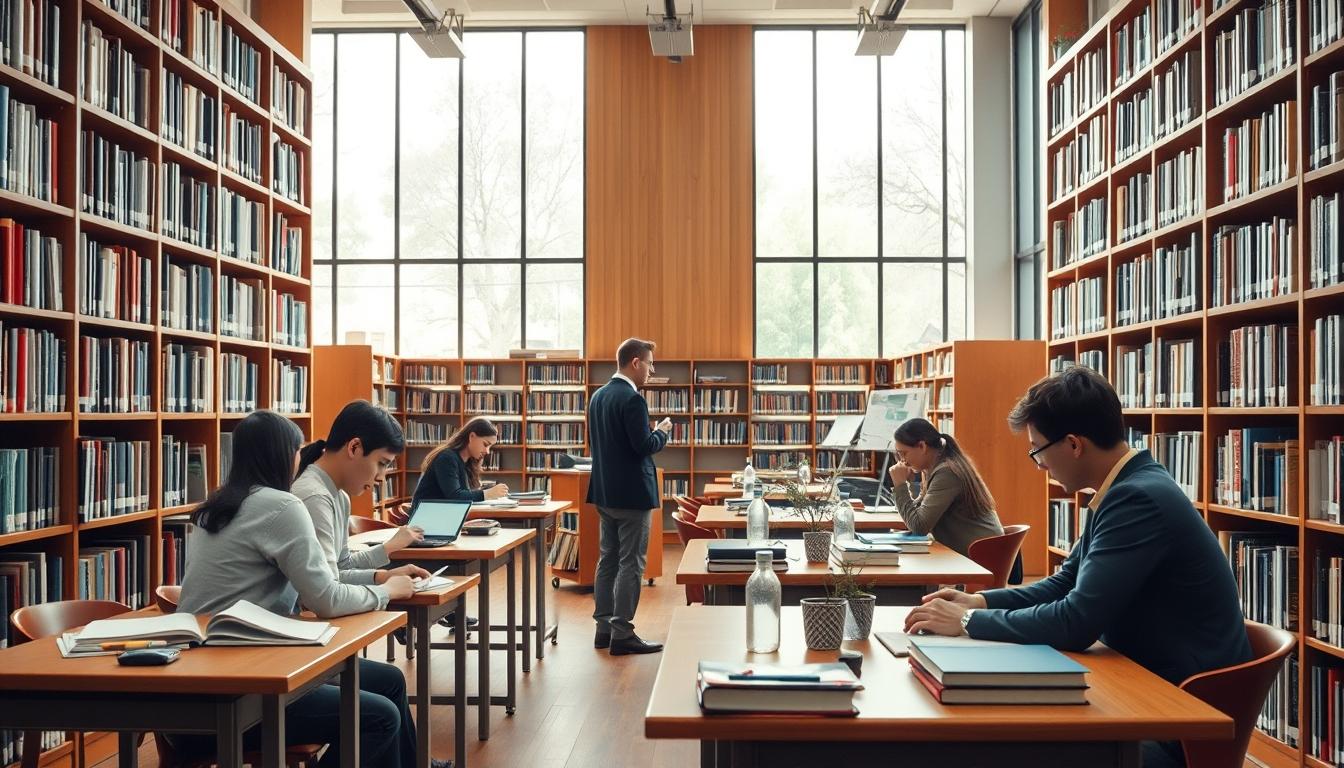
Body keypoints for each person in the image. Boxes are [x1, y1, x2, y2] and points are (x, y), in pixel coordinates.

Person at [903, 366, 1250, 768]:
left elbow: (1077, 621)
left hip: (1171, 721)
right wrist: (977, 601)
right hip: (1139, 689)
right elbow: (1064, 583)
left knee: (997, 743)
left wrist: (965, 623)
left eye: (1037, 450)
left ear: (1073, 444)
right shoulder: (1126, 487)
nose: (1039, 464)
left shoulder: (1137, 500)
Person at [173, 410, 451, 768]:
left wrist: (382, 579)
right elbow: (326, 599)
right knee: (380, 718)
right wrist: (388, 591)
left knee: (390, 681)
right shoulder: (281, 505)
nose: (302, 458)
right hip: (244, 690)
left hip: (204, 679)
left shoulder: (217, 506)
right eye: (297, 450)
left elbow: (325, 577)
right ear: (283, 455)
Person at [587, 337, 672, 655]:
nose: (652, 370)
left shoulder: (598, 396)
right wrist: (661, 430)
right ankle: (623, 633)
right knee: (631, 563)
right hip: (633, 496)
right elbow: (644, 447)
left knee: (607, 559)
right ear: (635, 362)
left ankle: (603, 629)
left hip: (605, 493)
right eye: (650, 363)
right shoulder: (633, 399)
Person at [293, 400, 429, 591]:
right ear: (354, 447)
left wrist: (384, 577)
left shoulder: (339, 496)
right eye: (381, 463)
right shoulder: (314, 497)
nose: (381, 478)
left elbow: (340, 568)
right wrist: (387, 590)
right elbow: (327, 591)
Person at [887, 417, 1005, 558]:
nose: (902, 461)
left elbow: (919, 527)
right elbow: (916, 517)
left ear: (922, 447)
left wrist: (900, 486)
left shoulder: (946, 472)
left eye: (903, 453)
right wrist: (906, 485)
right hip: (975, 550)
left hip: (982, 555)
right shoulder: (934, 468)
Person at [411, 417, 510, 507]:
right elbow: (454, 496)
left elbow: (465, 495)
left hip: (445, 515)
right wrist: (488, 493)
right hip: (426, 517)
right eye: (485, 444)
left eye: (490, 447)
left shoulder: (468, 462)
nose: (487, 451)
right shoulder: (447, 458)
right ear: (472, 436)